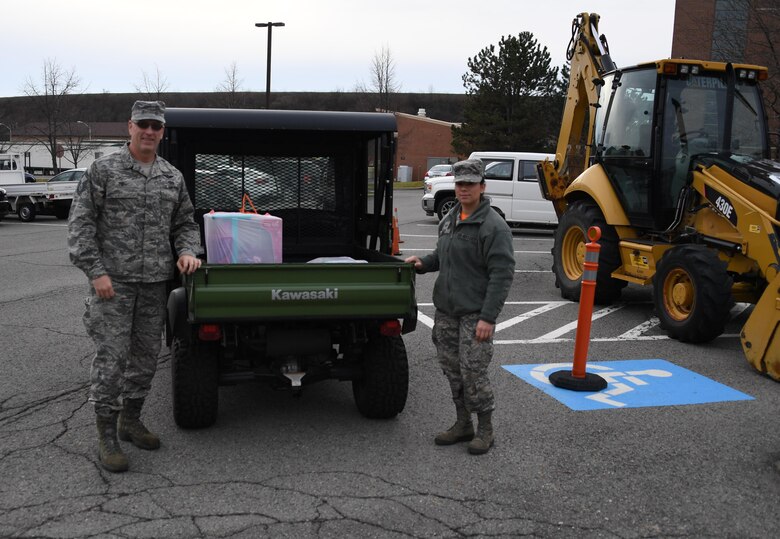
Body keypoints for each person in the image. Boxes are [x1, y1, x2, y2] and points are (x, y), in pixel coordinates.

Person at [68, 101, 202, 473]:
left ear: (162, 132)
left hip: (154, 284)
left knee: (144, 359)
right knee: (112, 360)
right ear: (130, 127)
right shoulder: (103, 170)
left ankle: (131, 420)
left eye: (155, 126)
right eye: (142, 124)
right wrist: (96, 273)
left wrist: (188, 250)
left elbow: (185, 223)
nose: (149, 131)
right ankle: (107, 435)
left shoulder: (171, 177)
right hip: (113, 284)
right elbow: (80, 226)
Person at [405, 158, 515, 455]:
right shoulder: (450, 218)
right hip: (447, 312)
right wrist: (423, 263)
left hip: (475, 314)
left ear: (482, 186)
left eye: (470, 184)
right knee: (452, 370)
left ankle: (486, 430)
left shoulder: (493, 226)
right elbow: (442, 256)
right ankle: (463, 423)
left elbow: (502, 274)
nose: (463, 189)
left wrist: (488, 318)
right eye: (459, 183)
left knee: (473, 373)